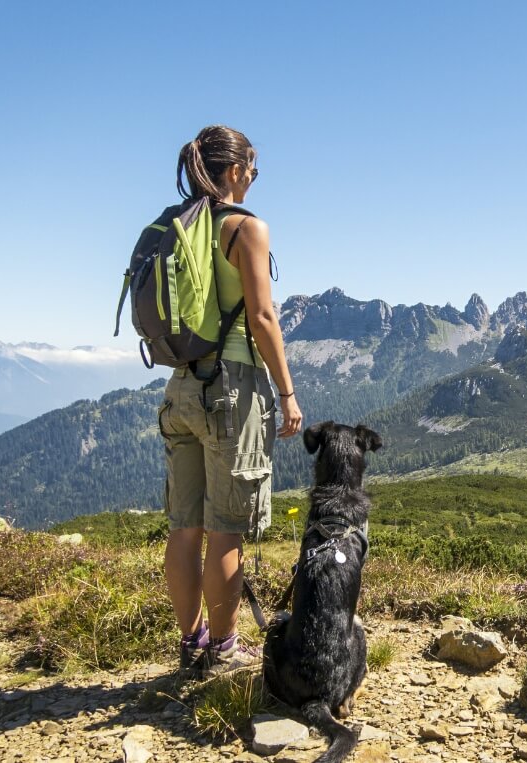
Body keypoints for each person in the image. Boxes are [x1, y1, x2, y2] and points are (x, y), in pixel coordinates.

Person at [158, 124, 303, 675]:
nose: (253, 179)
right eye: (253, 170)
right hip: (232, 388)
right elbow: (262, 318)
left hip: (181, 387)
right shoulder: (247, 228)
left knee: (184, 526)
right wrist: (286, 393)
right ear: (237, 170)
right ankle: (223, 651)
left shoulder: (180, 227)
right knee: (226, 527)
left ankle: (192, 640)